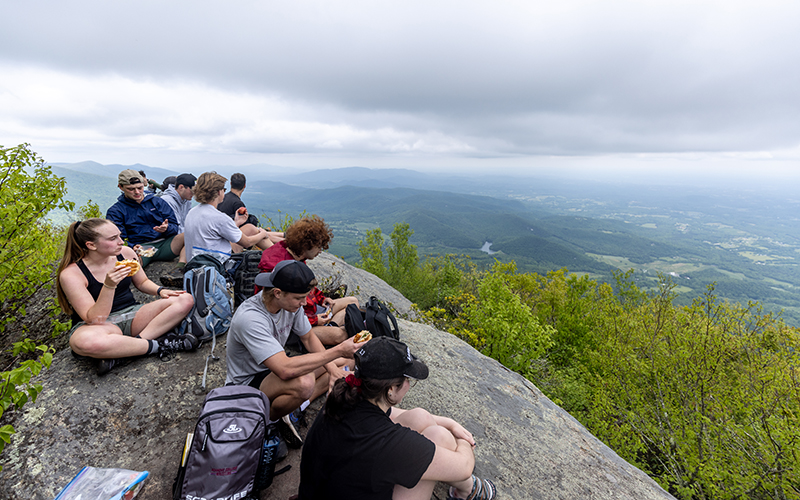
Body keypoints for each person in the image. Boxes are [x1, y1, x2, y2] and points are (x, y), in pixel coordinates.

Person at [298, 337, 497, 500]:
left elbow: (396, 415)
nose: (408, 385)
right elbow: (463, 467)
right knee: (440, 438)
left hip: (319, 490)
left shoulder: (344, 397)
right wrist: (465, 441)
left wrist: (451, 424)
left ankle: (468, 490)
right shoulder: (389, 443)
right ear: (391, 389)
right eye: (407, 380)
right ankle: (469, 491)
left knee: (423, 419)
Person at [225, 260, 362, 448]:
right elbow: (284, 369)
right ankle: (268, 422)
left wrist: (332, 370)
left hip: (273, 369)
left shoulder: (290, 306)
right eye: (299, 298)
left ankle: (293, 409)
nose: (304, 303)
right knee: (305, 382)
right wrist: (337, 350)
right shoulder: (250, 318)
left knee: (345, 361)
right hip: (248, 383)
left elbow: (308, 338)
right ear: (278, 293)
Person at [56, 218, 199, 375]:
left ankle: (129, 349)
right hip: (98, 327)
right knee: (83, 343)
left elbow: (142, 281)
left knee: (185, 299)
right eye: (113, 239)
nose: (120, 242)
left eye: (119, 236)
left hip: (132, 315)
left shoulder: (126, 253)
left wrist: (160, 291)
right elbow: (95, 318)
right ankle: (157, 345)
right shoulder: (72, 274)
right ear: (91, 245)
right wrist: (109, 285)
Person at [259, 215, 358, 345]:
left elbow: (306, 286)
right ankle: (323, 333)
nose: (321, 251)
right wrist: (313, 320)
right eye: (319, 247)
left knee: (352, 302)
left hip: (310, 313)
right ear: (307, 245)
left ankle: (328, 327)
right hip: (293, 325)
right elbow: (281, 308)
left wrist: (321, 298)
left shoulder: (296, 258)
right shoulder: (280, 266)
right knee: (341, 334)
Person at [183, 172, 274, 264]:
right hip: (216, 265)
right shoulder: (219, 217)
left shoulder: (192, 212)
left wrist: (236, 222)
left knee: (250, 229)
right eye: (224, 189)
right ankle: (279, 256)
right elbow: (247, 242)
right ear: (219, 192)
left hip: (194, 263)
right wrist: (263, 233)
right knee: (251, 229)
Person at [106, 169, 186, 269]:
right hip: (140, 249)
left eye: (140, 187)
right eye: (131, 189)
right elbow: (118, 238)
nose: (137, 192)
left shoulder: (157, 202)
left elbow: (174, 226)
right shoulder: (116, 211)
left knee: (189, 235)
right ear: (121, 187)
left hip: (164, 244)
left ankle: (179, 269)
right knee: (130, 266)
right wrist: (131, 246)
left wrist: (167, 228)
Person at [216, 172, 284, 252]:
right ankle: (282, 247)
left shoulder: (223, 198)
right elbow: (244, 230)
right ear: (244, 185)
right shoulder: (238, 204)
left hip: (223, 237)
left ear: (231, 184)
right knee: (255, 230)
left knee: (258, 231)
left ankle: (285, 237)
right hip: (231, 241)